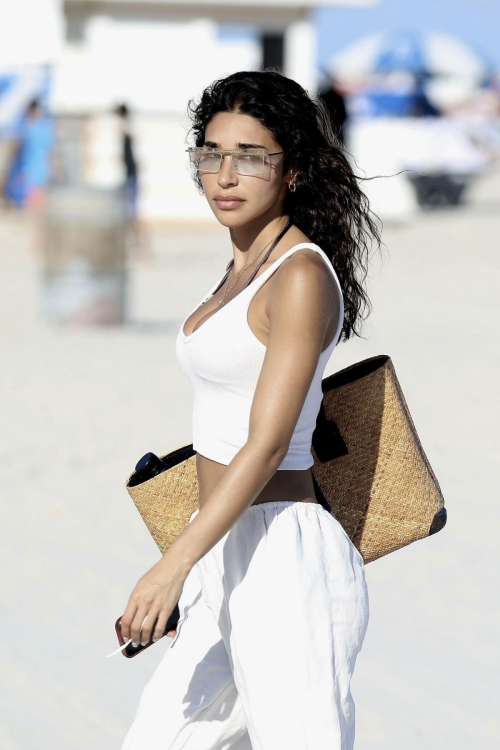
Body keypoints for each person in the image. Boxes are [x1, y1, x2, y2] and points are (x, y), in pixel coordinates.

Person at [119, 69, 381, 750]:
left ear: (291, 170)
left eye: (251, 157)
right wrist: (200, 562)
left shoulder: (299, 276)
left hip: (285, 558)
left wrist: (171, 565)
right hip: (221, 547)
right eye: (212, 153)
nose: (225, 175)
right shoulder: (241, 267)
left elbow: (265, 445)